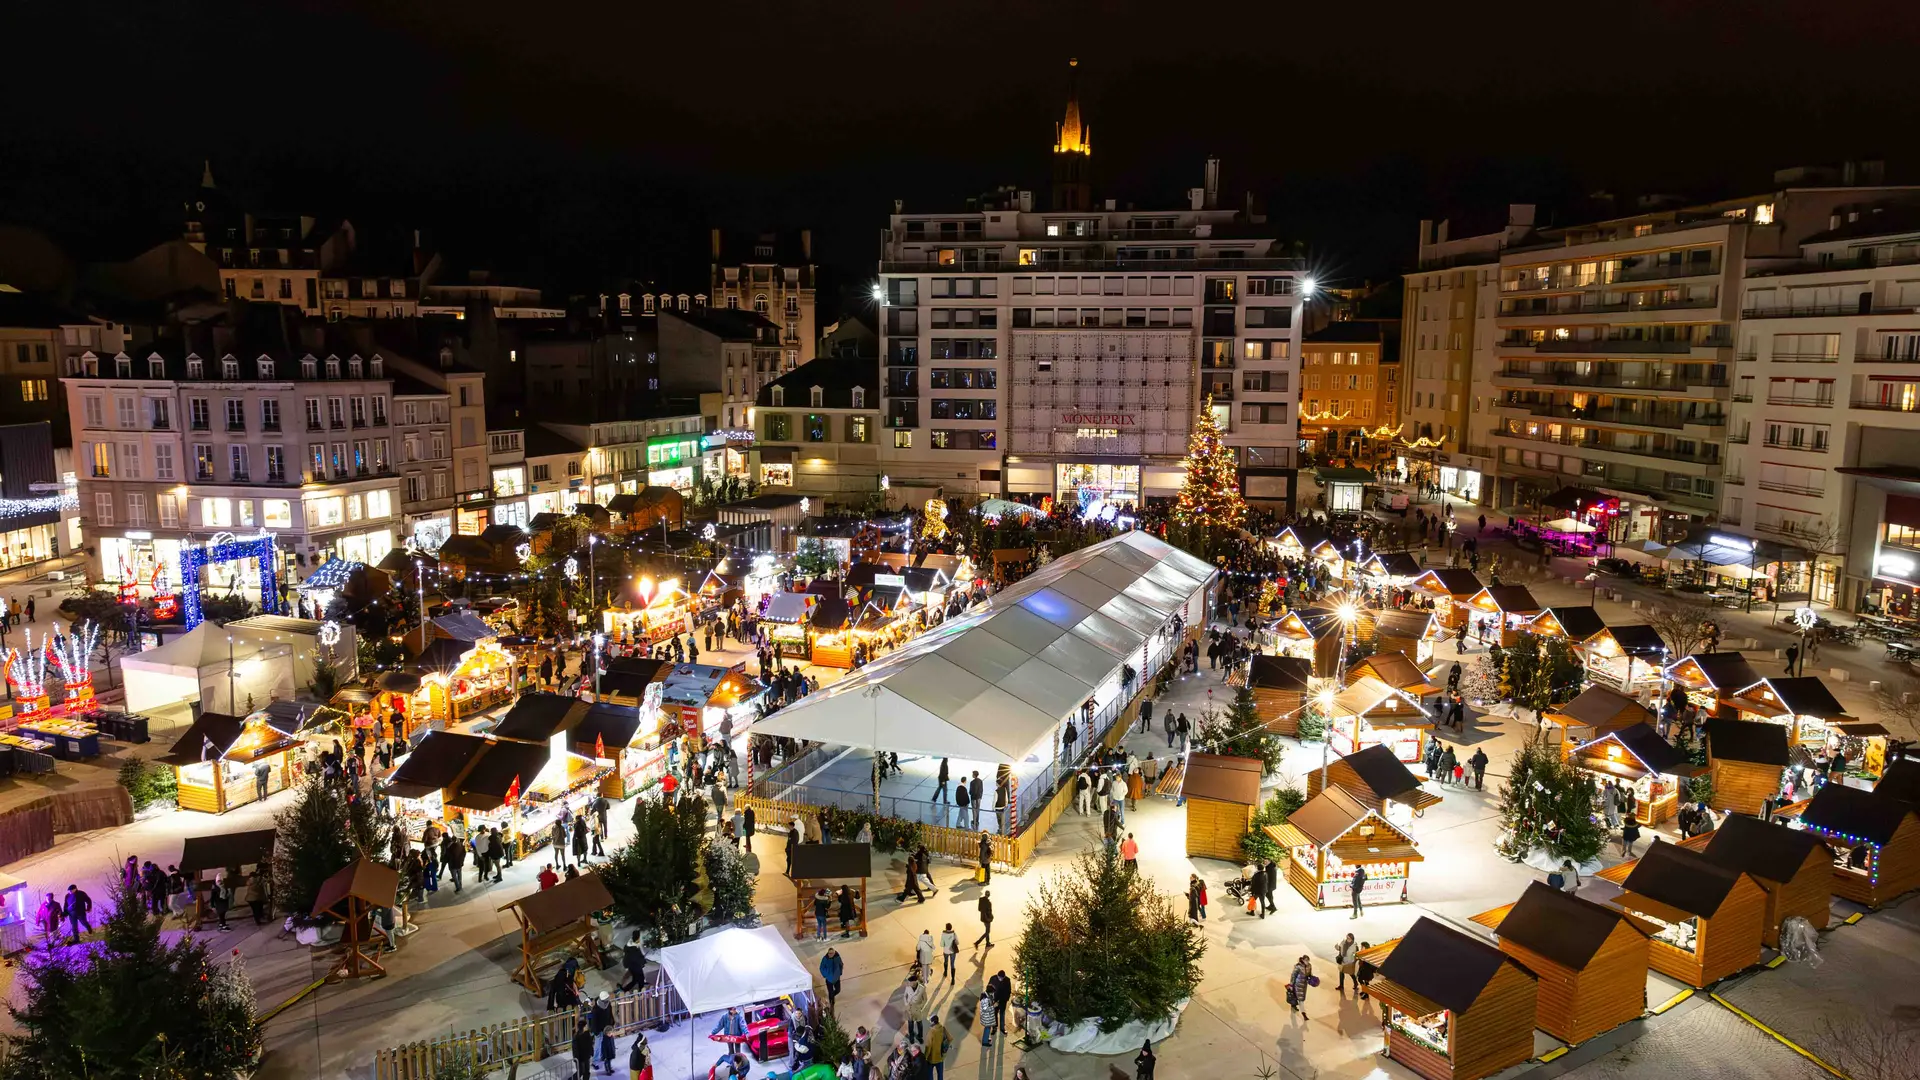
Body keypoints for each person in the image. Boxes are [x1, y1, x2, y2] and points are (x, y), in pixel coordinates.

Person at [590, 991, 617, 1074]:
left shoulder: (608, 1005)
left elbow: (610, 1015)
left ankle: (604, 1057)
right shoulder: (596, 1009)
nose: (608, 1000)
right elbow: (594, 1022)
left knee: (606, 1046)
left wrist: (612, 1023)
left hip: (607, 1029)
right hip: (599, 1030)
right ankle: (595, 1062)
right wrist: (596, 1032)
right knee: (598, 1046)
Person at [925, 1011, 948, 1080]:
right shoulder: (943, 1028)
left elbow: (928, 1047)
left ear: (932, 1022)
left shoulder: (931, 1032)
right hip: (940, 1057)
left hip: (931, 1059)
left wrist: (925, 1058)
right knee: (940, 1075)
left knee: (929, 1075)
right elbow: (949, 1038)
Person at [820, 947, 843, 1012]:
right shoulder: (825, 959)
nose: (831, 954)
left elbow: (841, 964)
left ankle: (832, 996)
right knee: (830, 992)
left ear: (834, 952)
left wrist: (840, 973)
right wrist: (825, 974)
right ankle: (831, 1003)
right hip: (829, 979)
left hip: (836, 978)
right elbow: (821, 968)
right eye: (829, 953)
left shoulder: (837, 957)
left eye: (832, 953)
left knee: (838, 990)